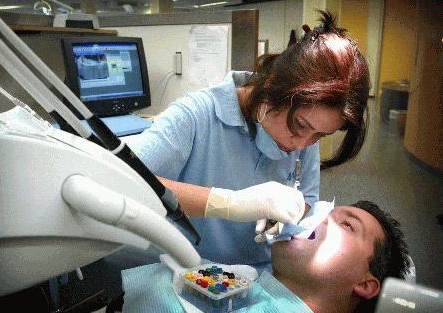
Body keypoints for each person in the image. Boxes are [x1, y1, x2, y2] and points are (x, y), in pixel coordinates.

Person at [128, 11, 370, 273]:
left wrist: (285, 214)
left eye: (320, 136)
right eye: (301, 125)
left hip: (259, 276)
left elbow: (308, 197)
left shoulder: (306, 134)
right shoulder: (197, 115)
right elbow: (124, 181)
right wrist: (229, 203)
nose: (303, 145)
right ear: (273, 86)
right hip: (188, 271)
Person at [120, 201, 410, 313]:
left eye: (347, 225)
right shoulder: (245, 281)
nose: (320, 219)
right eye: (325, 213)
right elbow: (173, 276)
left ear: (365, 284)